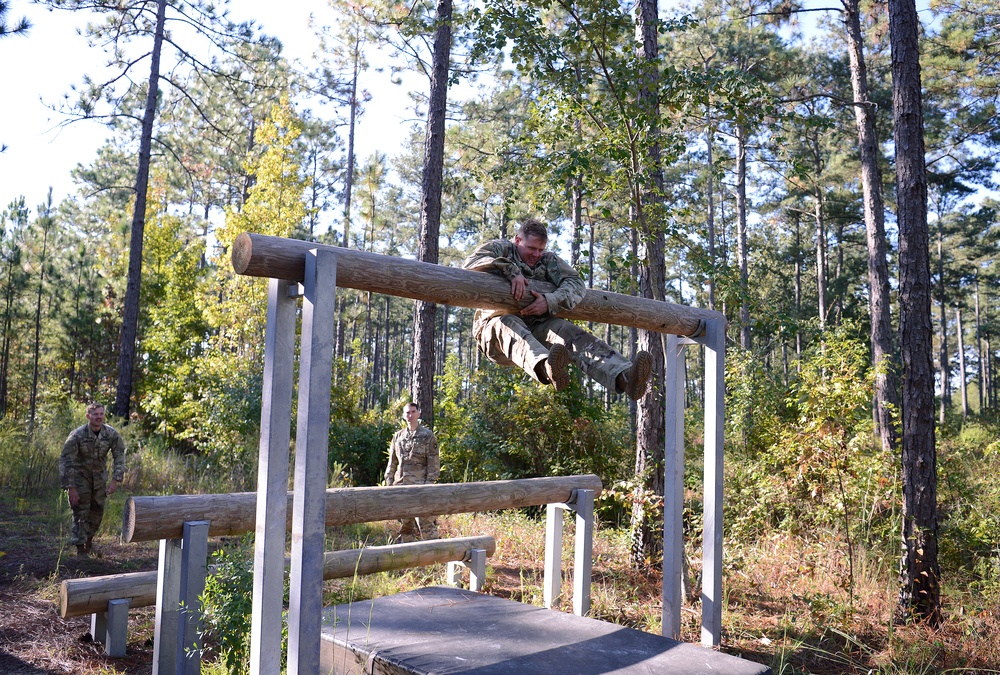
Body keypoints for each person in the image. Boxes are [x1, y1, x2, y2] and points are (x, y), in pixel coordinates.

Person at [462, 218, 652, 400]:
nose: (536, 254)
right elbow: (469, 265)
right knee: (507, 323)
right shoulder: (500, 248)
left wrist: (550, 301)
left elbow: (576, 283)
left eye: (540, 249)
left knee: (566, 330)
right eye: (531, 248)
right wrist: (511, 271)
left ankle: (625, 377)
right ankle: (546, 368)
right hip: (494, 333)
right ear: (518, 240)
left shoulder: (547, 261)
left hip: (536, 326)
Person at [60, 402, 126, 556]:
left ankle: (89, 542)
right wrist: (71, 487)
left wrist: (115, 480)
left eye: (101, 414)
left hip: (99, 479)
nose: (99, 417)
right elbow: (66, 460)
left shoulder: (111, 434)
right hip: (80, 478)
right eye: (95, 414)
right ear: (88, 416)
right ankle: (80, 549)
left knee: (97, 512)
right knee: (80, 512)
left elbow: (119, 456)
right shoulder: (77, 435)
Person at [384, 401, 440, 542]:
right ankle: (408, 554)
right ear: (404, 415)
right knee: (405, 522)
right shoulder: (398, 436)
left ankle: (436, 553)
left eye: (413, 412)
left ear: (418, 413)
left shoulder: (427, 436)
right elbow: (392, 462)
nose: (410, 415)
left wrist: (428, 484)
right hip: (401, 485)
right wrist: (389, 483)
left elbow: (433, 463)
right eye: (407, 413)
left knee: (425, 521)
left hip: (420, 486)